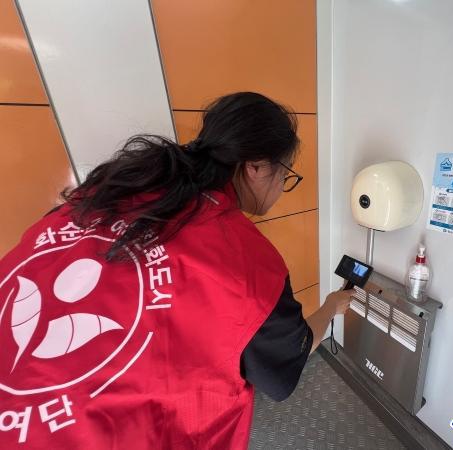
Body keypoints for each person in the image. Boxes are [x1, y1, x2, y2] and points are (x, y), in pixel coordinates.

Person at [0, 92, 353, 449]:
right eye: (285, 174)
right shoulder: (247, 260)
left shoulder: (116, 190)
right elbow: (282, 371)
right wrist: (331, 307)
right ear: (256, 167)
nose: (281, 188)